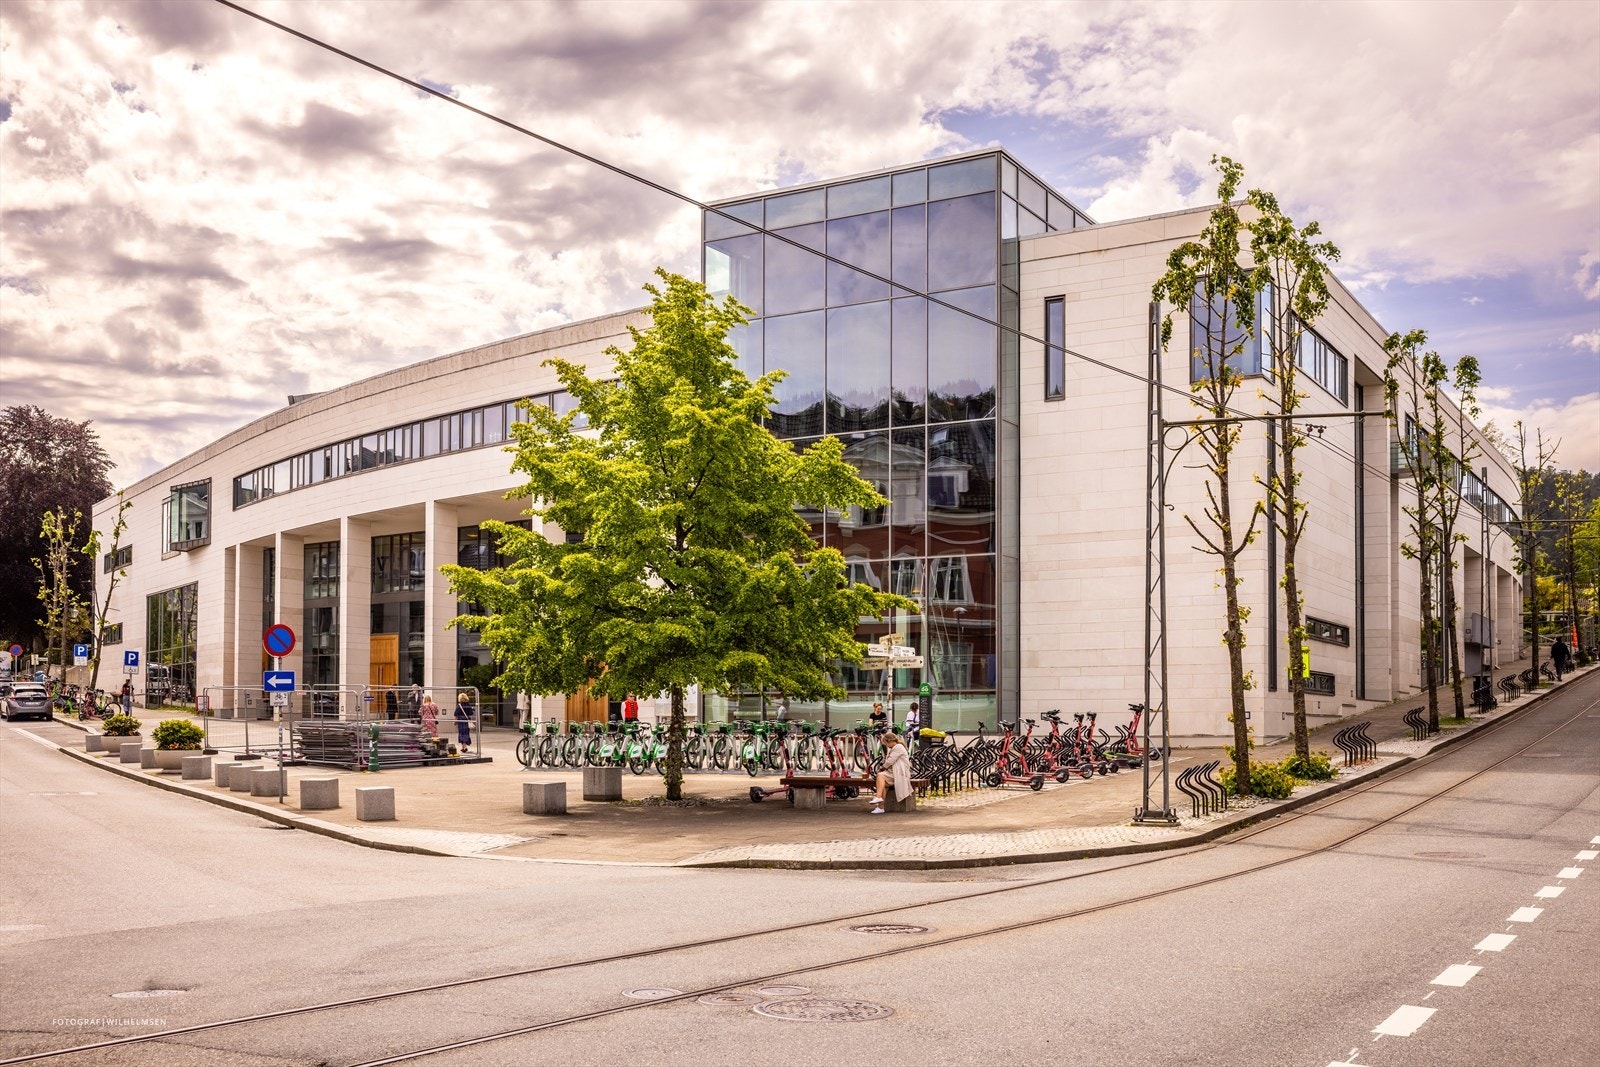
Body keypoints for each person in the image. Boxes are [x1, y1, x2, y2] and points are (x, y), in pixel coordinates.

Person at [868, 733, 912, 815]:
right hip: (893, 773)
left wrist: (882, 768)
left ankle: (878, 797)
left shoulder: (898, 747)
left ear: (891, 741)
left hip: (899, 773)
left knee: (880, 775)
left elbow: (890, 761)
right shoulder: (894, 748)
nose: (887, 745)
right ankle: (880, 807)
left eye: (886, 743)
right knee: (883, 784)